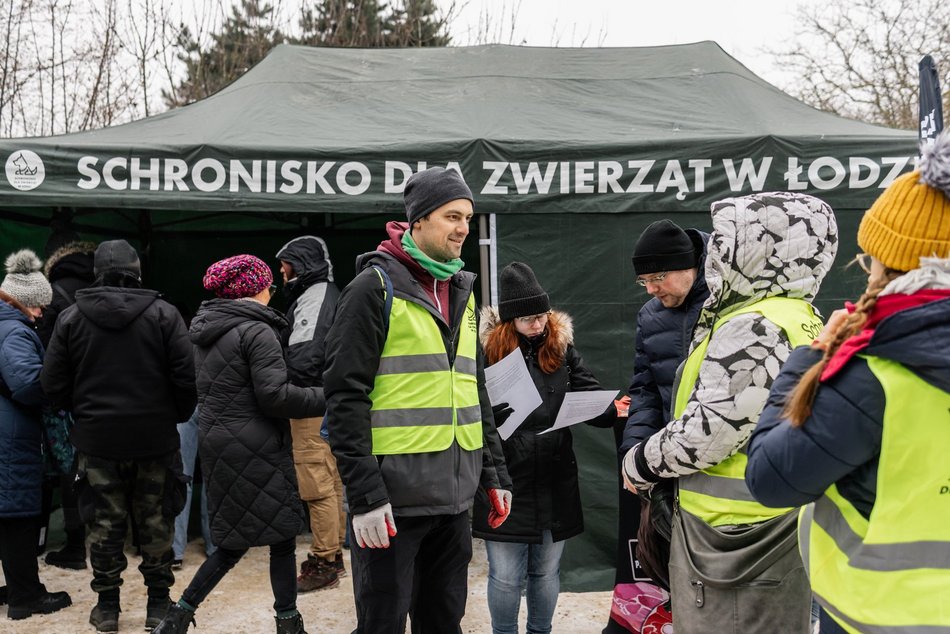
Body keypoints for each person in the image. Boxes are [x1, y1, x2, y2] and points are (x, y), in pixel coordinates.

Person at [745, 134, 950, 634]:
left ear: (891, 264)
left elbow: (772, 478)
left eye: (869, 259)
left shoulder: (877, 374)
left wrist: (811, 359)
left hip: (884, 615)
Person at [621, 192, 838, 633]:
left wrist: (640, 462)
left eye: (726, 243)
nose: (717, 255)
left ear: (754, 249)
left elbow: (710, 430)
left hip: (734, 537)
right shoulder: (801, 315)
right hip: (777, 518)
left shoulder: (754, 325)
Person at [323, 166, 512, 634]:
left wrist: (493, 475)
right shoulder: (372, 289)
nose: (463, 228)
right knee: (382, 625)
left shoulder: (463, 291)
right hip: (392, 505)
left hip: (454, 501)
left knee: (444, 623)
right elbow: (345, 398)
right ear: (419, 221)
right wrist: (365, 497)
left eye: (468, 218)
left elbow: (474, 391)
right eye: (452, 216)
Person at [153, 254, 325, 634]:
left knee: (232, 544)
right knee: (281, 539)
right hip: (258, 446)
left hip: (220, 444)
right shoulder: (256, 330)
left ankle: (177, 617)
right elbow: (275, 396)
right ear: (254, 289)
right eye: (268, 285)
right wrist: (326, 397)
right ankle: (288, 624)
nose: (272, 291)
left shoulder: (206, 330)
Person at [41, 239, 197, 633]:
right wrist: (172, 417)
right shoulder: (165, 314)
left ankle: (107, 608)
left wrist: (83, 413)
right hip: (155, 439)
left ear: (96, 273)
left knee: (103, 526)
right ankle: (158, 605)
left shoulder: (71, 318)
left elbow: (52, 383)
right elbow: (186, 379)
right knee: (157, 522)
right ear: (137, 271)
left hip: (97, 442)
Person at [475, 261, 619, 634]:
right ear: (510, 321)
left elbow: (589, 390)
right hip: (506, 477)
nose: (538, 324)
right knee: (506, 575)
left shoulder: (561, 346)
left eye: (542, 315)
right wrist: (488, 415)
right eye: (528, 319)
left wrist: (604, 408)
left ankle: (541, 631)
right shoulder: (485, 353)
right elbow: (468, 409)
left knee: (546, 571)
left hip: (555, 476)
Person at [607, 220, 710, 632]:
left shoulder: (727, 306)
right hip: (670, 471)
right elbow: (645, 389)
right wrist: (633, 452)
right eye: (643, 281)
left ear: (688, 267)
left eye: (657, 278)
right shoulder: (650, 316)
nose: (650, 289)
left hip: (721, 473)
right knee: (671, 574)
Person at [0, 249, 72, 620]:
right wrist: (57, 384)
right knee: (19, 519)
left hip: (6, 433)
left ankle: (16, 588)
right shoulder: (13, 330)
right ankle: (25, 598)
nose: (42, 313)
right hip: (11, 439)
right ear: (21, 300)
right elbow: (28, 384)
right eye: (39, 305)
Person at [275, 235, 345, 591]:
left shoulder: (317, 296)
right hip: (326, 401)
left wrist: (279, 385)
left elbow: (305, 358)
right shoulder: (322, 294)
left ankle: (324, 561)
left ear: (301, 264)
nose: (281, 272)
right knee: (330, 481)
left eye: (285, 264)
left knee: (317, 485)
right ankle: (333, 554)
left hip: (311, 405)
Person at [35, 239, 97, 571]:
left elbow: (45, 351)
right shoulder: (103, 289)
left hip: (62, 402)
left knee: (66, 469)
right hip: (100, 396)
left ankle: (72, 546)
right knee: (96, 467)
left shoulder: (52, 294)